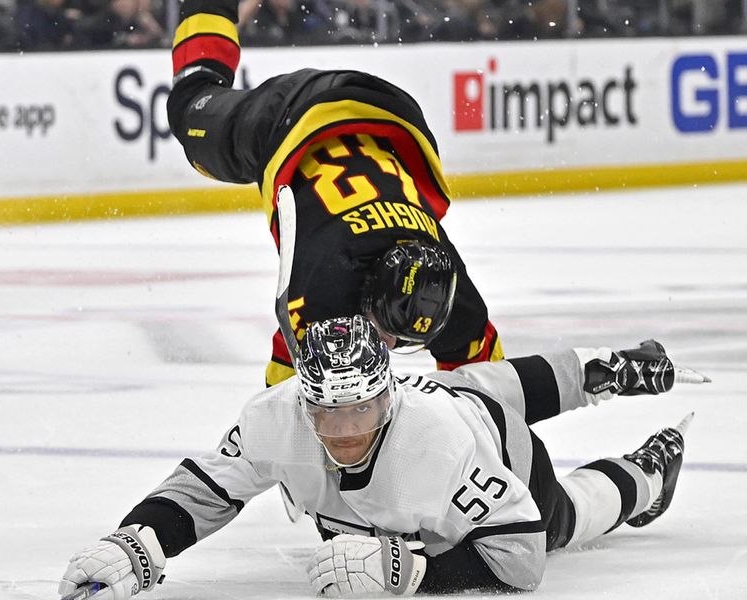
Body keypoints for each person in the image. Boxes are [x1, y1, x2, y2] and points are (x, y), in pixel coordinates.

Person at [58, 314, 701, 599]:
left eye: (357, 411)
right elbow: (206, 489)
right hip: (451, 396)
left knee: (565, 519)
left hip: (492, 437)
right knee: (475, 381)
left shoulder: (436, 444)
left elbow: (522, 555)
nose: (339, 431)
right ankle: (602, 370)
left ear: (385, 400)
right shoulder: (277, 416)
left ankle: (645, 473)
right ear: (301, 401)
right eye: (324, 412)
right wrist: (137, 543)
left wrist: (415, 573)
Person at [167, 0, 504, 388]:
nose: (389, 346)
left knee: (194, 97)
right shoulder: (327, 286)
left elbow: (489, 382)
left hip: (381, 109)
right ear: (366, 291)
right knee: (190, 105)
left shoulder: (446, 289)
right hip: (282, 118)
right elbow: (282, 406)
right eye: (388, 333)